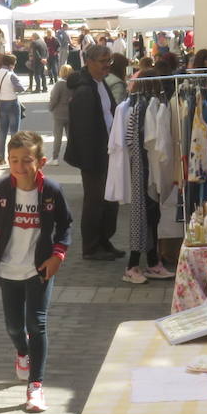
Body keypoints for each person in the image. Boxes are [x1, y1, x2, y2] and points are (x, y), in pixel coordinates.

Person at [0, 131, 74, 413]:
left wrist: (58, 256)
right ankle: (22, 351)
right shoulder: (0, 189)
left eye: (26, 160)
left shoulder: (52, 190)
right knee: (14, 326)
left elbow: (65, 225)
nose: (19, 167)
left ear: (40, 161)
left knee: (36, 324)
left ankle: (36, 387)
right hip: (8, 269)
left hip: (39, 268)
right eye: (14, 160)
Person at [62, 43, 120, 260]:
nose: (107, 66)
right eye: (103, 61)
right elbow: (83, 131)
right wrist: (91, 162)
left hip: (107, 153)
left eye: (109, 61)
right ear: (89, 62)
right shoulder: (85, 90)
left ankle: (105, 242)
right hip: (94, 157)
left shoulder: (100, 83)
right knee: (95, 202)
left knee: (109, 201)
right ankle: (91, 247)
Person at [0, 52, 24, 154]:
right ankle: (13, 154)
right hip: (12, 102)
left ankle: (1, 157)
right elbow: (21, 88)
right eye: (14, 64)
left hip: (1, 102)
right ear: (11, 64)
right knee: (14, 132)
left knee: (3, 131)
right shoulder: (11, 75)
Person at [48, 64, 74, 163]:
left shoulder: (59, 84)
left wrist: (50, 107)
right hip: (70, 113)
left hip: (59, 114)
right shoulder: (73, 84)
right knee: (70, 137)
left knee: (57, 137)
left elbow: (54, 98)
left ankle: (55, 158)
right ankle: (73, 156)